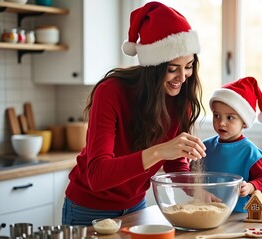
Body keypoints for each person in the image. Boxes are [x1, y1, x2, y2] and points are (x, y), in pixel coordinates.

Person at [62, 1, 206, 226]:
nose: (183, 77)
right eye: (172, 69)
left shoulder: (179, 98)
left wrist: (200, 191)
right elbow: (97, 175)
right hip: (89, 210)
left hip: (136, 206)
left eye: (188, 66)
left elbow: (175, 164)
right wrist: (159, 151)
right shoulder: (111, 92)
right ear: (153, 66)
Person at [199, 76, 262, 213]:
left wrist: (251, 187)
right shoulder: (206, 147)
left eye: (230, 117)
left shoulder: (249, 151)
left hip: (238, 216)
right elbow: (189, 175)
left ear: (244, 122)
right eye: (216, 116)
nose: (221, 122)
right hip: (206, 212)